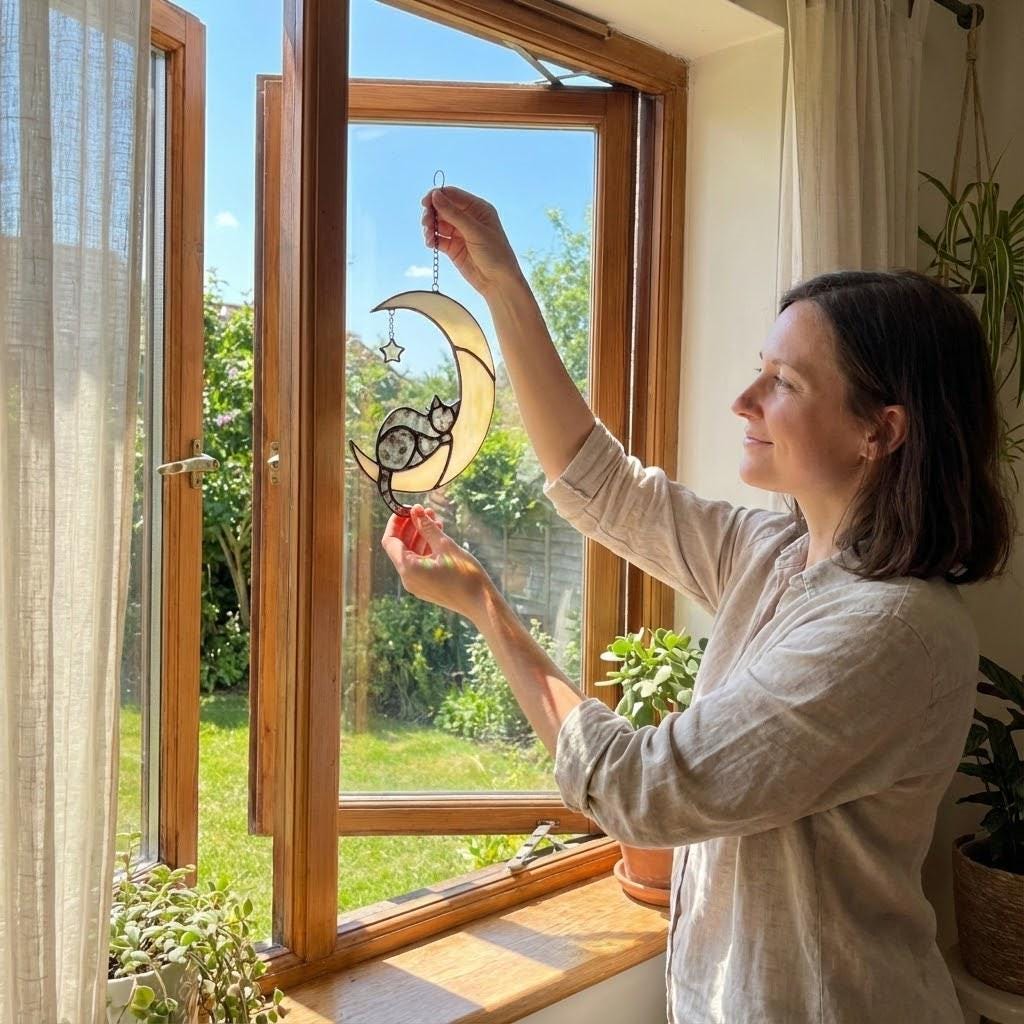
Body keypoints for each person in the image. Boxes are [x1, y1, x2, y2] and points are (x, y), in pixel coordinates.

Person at [379, 185, 1017, 1023]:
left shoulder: (891, 631)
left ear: (882, 431)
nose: (744, 402)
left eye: (783, 382)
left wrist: (487, 610)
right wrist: (499, 280)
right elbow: (599, 482)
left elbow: (641, 789)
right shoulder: (776, 555)